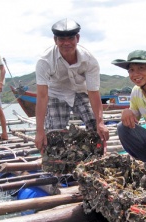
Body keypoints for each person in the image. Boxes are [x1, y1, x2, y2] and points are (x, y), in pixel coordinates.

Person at [35, 18, 109, 152]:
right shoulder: (44, 61)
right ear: (55, 40)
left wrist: (100, 122)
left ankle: (97, 155)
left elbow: (93, 92)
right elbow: (42, 96)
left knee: (95, 126)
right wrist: (39, 131)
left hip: (79, 91)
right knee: (53, 136)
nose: (66, 43)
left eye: (71, 38)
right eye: (62, 39)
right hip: (56, 94)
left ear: (78, 38)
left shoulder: (89, 60)